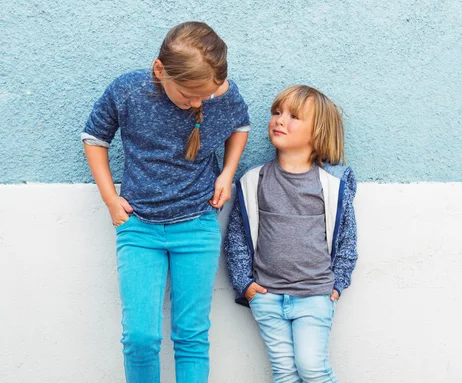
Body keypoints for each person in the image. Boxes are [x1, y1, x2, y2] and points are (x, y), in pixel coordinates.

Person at [81, 21, 250, 383]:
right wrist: (111, 199)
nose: (197, 103)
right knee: (140, 337)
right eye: (188, 95)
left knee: (190, 335)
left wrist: (227, 174)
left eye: (204, 96)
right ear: (160, 69)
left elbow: (241, 125)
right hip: (139, 227)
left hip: (197, 225)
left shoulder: (221, 93)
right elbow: (95, 137)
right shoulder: (129, 90)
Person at [225, 85, 357, 383]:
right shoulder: (252, 180)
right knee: (284, 373)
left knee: (312, 368)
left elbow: (347, 239)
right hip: (267, 296)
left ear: (318, 132)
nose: (280, 120)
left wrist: (338, 284)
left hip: (315, 295)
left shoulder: (332, 184)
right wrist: (244, 283)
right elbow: (237, 239)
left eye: (294, 116)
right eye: (277, 112)